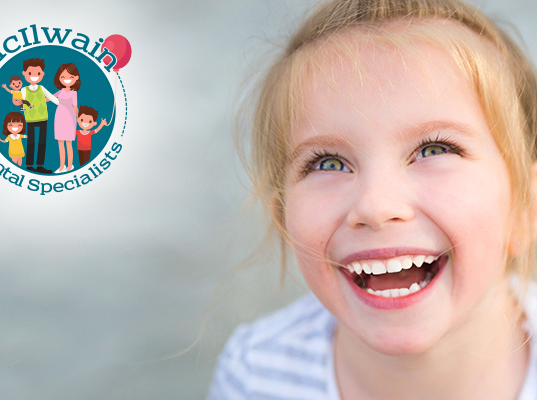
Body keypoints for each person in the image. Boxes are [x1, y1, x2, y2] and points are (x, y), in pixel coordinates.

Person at [207, 1, 537, 399]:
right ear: (282, 214)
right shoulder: (256, 375)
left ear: (525, 205)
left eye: (434, 150)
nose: (376, 206)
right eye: (327, 163)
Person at [21, 58, 59, 174]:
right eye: (30, 73)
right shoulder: (24, 89)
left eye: (38, 73)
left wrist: (63, 105)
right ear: (24, 74)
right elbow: (19, 101)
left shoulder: (42, 88)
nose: (34, 76)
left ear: (42, 74)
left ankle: (40, 165)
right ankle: (29, 165)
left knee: (42, 142)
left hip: (43, 118)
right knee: (31, 142)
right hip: (30, 119)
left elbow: (52, 98)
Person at [52, 63, 80, 174]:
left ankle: (69, 166)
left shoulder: (74, 93)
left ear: (76, 78)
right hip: (59, 117)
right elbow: (49, 98)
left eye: (70, 77)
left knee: (69, 143)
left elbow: (75, 107)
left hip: (70, 118)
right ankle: (61, 165)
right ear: (59, 78)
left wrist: (78, 119)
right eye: (63, 77)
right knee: (60, 143)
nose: (66, 80)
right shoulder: (60, 91)